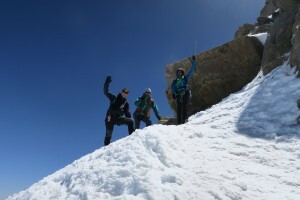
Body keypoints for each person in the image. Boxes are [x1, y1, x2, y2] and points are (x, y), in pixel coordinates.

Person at [103, 75, 134, 146]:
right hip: (110, 117)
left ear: (127, 95)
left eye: (126, 93)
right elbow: (106, 92)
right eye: (124, 92)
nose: (124, 93)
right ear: (121, 92)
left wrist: (129, 119)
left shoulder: (126, 103)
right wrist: (107, 82)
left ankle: (133, 137)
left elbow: (128, 113)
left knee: (131, 121)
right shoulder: (114, 98)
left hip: (118, 118)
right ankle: (106, 148)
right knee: (108, 134)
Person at [171, 55, 196, 125]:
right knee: (179, 108)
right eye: (178, 72)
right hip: (179, 94)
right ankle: (179, 122)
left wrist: (194, 61)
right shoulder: (175, 80)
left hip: (186, 92)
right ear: (177, 73)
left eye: (181, 72)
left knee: (185, 106)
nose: (180, 73)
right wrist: (173, 93)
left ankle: (185, 119)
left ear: (182, 73)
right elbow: (173, 87)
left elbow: (191, 70)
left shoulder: (185, 78)